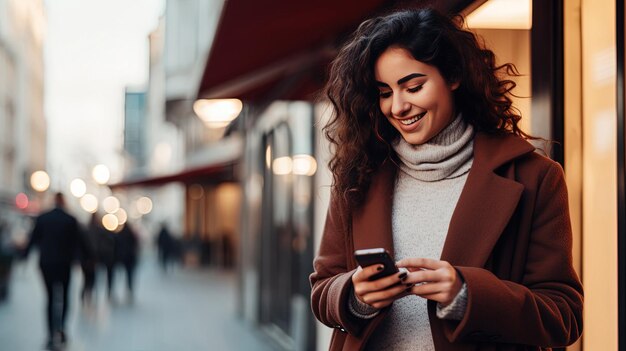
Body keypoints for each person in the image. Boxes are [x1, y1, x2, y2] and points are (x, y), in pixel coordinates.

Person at [309, 8, 583, 351]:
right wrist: (354, 294)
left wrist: (467, 293)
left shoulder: (535, 177)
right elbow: (322, 289)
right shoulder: (361, 172)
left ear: (453, 76)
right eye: (384, 92)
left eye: (413, 86)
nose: (397, 106)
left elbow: (564, 316)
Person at [22, 192, 89, 350]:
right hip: (64, 264)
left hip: (46, 264)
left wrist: (24, 255)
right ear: (64, 201)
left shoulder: (43, 218)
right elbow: (80, 242)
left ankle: (51, 333)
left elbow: (33, 239)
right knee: (64, 296)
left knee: (50, 298)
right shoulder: (70, 219)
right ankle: (62, 329)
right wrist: (87, 259)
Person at [114, 222, 139, 301]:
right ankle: (129, 290)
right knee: (129, 276)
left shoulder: (120, 234)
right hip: (130, 258)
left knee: (120, 276)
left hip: (123, 258)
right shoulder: (131, 235)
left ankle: (118, 292)